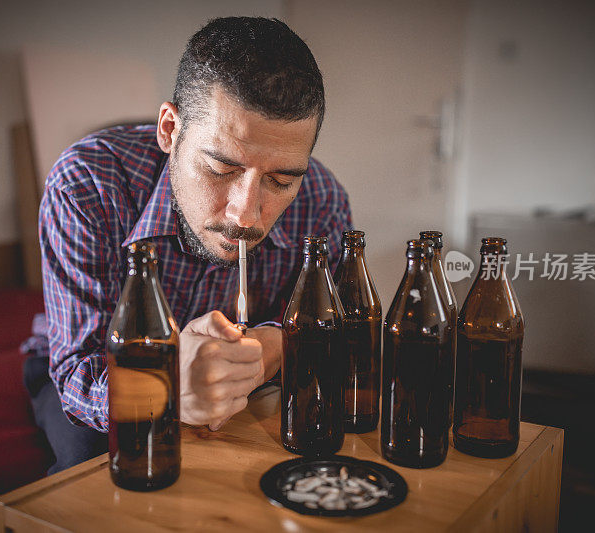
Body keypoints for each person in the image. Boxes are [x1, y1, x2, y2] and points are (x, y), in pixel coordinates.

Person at [24, 16, 353, 474]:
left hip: (246, 373)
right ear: (169, 129)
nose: (244, 214)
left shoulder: (322, 199)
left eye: (280, 181)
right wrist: (167, 384)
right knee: (101, 462)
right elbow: (78, 373)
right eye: (221, 169)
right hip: (92, 363)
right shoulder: (87, 184)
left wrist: (274, 345)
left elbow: (329, 329)